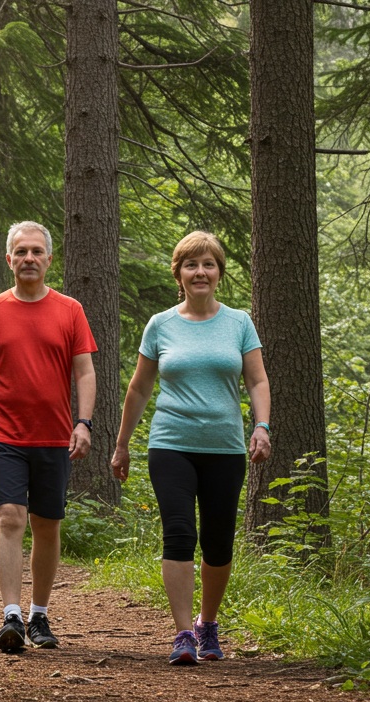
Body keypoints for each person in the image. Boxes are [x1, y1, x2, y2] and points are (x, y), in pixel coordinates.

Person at [110, 231, 271, 665]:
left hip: (225, 448)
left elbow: (257, 380)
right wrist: (122, 444)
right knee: (179, 533)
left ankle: (207, 624)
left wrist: (262, 426)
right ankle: (183, 633)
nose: (200, 272)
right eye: (191, 265)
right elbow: (139, 388)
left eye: (208, 264)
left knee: (218, 543)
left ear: (219, 272)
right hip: (171, 444)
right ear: (179, 274)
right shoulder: (161, 324)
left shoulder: (239, 322)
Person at [0, 221, 98, 653]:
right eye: (21, 252)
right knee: (9, 517)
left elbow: (85, 371)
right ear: (9, 260)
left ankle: (39, 614)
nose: (29, 259)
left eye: (36, 251)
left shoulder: (70, 310)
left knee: (47, 524)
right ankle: (11, 616)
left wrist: (83, 422)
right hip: (3, 434)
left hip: (54, 435)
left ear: (49, 259)